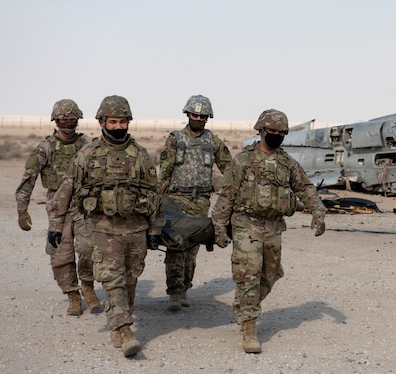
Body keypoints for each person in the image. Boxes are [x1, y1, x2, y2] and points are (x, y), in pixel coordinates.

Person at [48, 95, 164, 357]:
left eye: (123, 121)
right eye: (113, 122)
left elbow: (155, 195)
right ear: (101, 122)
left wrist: (155, 230)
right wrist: (55, 225)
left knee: (131, 279)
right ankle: (125, 331)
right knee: (113, 280)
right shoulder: (87, 154)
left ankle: (118, 322)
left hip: (135, 229)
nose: (118, 127)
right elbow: (66, 190)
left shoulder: (140, 154)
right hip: (103, 228)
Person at [211, 109, 327, 353]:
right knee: (249, 274)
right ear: (261, 131)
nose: (275, 135)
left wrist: (318, 211)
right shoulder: (243, 161)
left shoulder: (287, 163)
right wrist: (219, 227)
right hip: (246, 224)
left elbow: (305, 188)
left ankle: (244, 306)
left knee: (272, 273)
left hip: (274, 227)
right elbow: (227, 195)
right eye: (271, 131)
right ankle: (249, 326)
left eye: (280, 133)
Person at [15, 99, 99, 316]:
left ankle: (87, 285)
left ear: (77, 120)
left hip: (82, 205)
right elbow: (28, 180)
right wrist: (22, 210)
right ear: (56, 121)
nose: (68, 123)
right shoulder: (45, 148)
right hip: (56, 207)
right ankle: (72, 294)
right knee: (60, 253)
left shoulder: (87, 147)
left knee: (88, 248)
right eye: (63, 119)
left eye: (71, 119)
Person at [158, 95, 232, 311]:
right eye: (194, 114)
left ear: (208, 117)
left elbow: (230, 168)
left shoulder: (213, 142)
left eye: (202, 115)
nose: (198, 118)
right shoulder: (175, 139)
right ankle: (174, 292)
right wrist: (156, 201)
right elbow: (165, 172)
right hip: (175, 200)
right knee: (175, 247)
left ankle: (185, 288)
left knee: (191, 249)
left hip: (200, 202)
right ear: (187, 114)